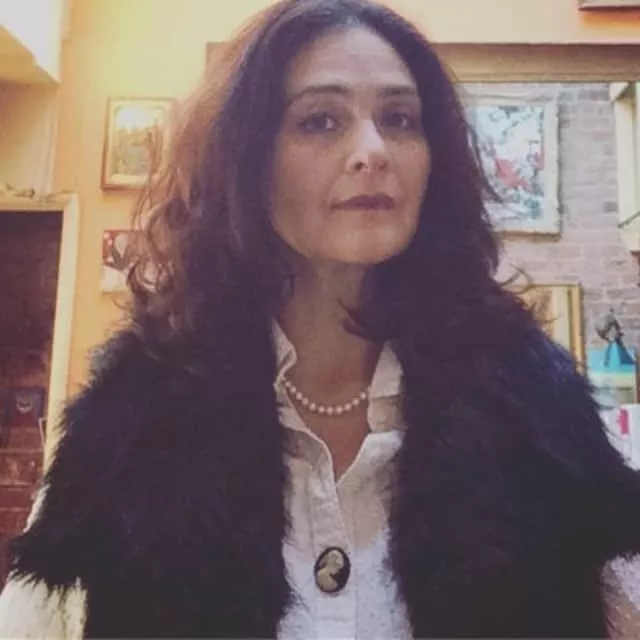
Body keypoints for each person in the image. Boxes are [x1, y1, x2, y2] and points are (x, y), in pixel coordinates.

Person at [1, 0, 640, 637]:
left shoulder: (535, 412)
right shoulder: (134, 420)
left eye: (399, 119)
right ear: (246, 160)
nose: (373, 151)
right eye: (320, 121)